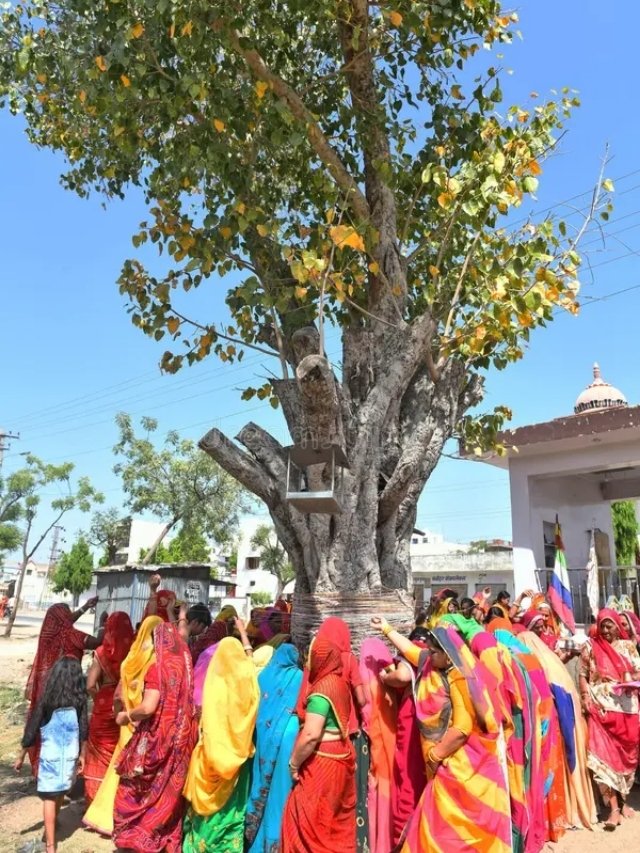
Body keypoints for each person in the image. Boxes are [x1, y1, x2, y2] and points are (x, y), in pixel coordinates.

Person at [371, 616, 511, 853]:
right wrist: (386, 628)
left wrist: (435, 757)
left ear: (447, 654)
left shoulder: (458, 677)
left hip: (459, 766)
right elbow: (412, 651)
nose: (429, 654)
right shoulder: (432, 663)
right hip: (442, 762)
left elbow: (462, 729)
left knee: (447, 826)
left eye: (434, 651)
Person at [112, 621, 197, 853]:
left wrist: (127, 715)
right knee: (168, 795)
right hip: (181, 740)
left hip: (156, 741)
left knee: (131, 791)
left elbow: (149, 707)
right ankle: (161, 839)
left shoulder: (157, 669)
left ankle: (137, 838)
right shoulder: (186, 669)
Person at [83, 615, 163, 837]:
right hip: (142, 718)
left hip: (114, 711)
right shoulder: (153, 658)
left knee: (106, 759)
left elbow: (90, 684)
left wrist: (100, 697)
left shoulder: (119, 655)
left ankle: (96, 806)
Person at [183, 628, 260, 852]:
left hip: (211, 754)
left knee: (209, 812)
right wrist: (244, 638)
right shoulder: (249, 688)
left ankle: (200, 845)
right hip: (238, 760)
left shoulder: (213, 690)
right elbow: (249, 665)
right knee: (231, 811)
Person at [281, 635, 357, 853]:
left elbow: (311, 734)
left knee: (309, 822)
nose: (307, 663)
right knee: (332, 823)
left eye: (310, 657)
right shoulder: (340, 683)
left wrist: (294, 764)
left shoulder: (322, 691)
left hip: (323, 762)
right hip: (340, 756)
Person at [15, 658, 89, 853]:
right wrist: (83, 754)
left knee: (49, 795)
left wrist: (21, 754)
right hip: (71, 753)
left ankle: (50, 845)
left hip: (51, 755)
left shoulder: (47, 700)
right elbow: (83, 729)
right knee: (61, 791)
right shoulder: (80, 700)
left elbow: (32, 728)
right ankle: (53, 824)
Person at [579, 608, 640, 830]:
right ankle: (613, 809)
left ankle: (623, 802)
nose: (605, 630)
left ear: (617, 626)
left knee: (626, 759)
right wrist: (585, 695)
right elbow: (583, 674)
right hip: (600, 710)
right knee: (602, 758)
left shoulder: (628, 647)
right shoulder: (589, 646)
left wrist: (629, 678)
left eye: (610, 625)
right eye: (602, 626)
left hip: (627, 711)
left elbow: (639, 672)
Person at [25, 599, 99, 775]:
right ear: (64, 618)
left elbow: (66, 622)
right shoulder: (73, 635)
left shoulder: (47, 635)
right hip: (69, 691)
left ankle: (42, 768)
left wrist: (85, 607)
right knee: (69, 730)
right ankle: (64, 771)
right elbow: (97, 642)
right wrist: (104, 626)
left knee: (44, 728)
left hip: (46, 691)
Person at [244, 644, 302, 853]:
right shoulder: (299, 678)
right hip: (288, 739)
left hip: (262, 740)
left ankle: (255, 842)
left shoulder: (264, 675)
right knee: (280, 794)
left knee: (259, 785)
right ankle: (275, 844)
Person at [378, 628, 429, 850]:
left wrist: (384, 677)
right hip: (430, 721)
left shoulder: (416, 652)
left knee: (408, 774)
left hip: (412, 717)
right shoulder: (439, 656)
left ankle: (403, 837)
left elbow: (402, 676)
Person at [83, 611, 135, 803]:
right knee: (118, 752)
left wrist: (99, 699)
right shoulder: (133, 651)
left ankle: (92, 802)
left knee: (97, 754)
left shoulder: (101, 652)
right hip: (124, 705)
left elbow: (89, 684)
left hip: (104, 703)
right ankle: (112, 803)